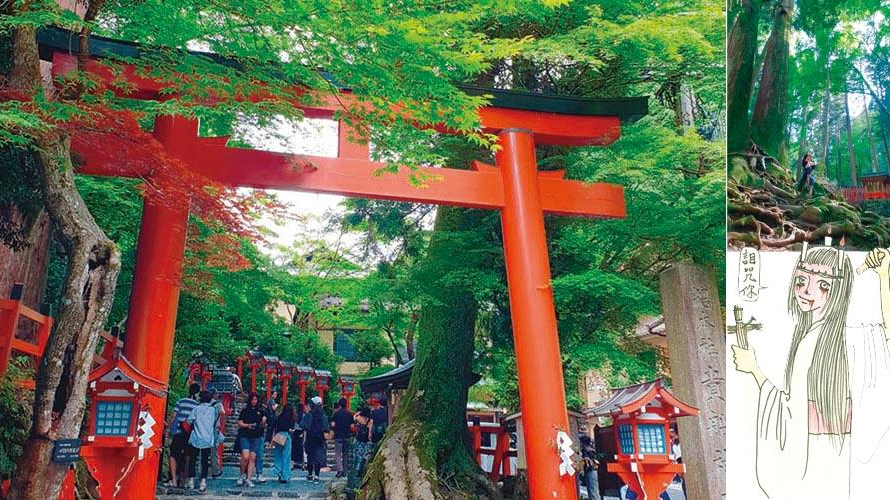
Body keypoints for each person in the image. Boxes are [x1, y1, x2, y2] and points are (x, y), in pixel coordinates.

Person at [732, 244, 890, 498]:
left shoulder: (827, 340)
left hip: (809, 466)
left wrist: (754, 370)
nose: (807, 291)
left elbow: (788, 412)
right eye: (801, 281)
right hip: (835, 463)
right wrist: (883, 277)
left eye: (823, 285)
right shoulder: (843, 338)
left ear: (839, 291)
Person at [165, 383, 200, 488]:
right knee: (188, 456)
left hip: (179, 431)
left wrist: (168, 428)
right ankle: (184, 481)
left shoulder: (181, 401)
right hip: (190, 433)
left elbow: (174, 415)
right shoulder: (197, 405)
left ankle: (174, 480)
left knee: (173, 455)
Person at [186, 391, 218, 492]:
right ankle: (203, 481)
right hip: (207, 438)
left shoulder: (196, 409)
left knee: (193, 459)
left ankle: (191, 480)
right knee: (205, 461)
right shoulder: (212, 410)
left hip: (196, 436)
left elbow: (189, 420)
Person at [236, 392, 267, 488]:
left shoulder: (261, 411)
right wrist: (247, 425)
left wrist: (263, 422)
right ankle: (241, 475)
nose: (254, 401)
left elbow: (264, 425)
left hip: (256, 436)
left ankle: (249, 478)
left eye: (256, 400)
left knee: (253, 457)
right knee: (245, 456)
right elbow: (239, 422)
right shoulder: (245, 411)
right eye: (253, 399)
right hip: (245, 435)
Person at [301, 396, 329, 482]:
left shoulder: (309, 414)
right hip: (320, 438)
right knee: (318, 457)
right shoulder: (323, 415)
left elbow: (304, 425)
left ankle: (310, 474)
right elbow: (326, 428)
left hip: (310, 437)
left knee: (310, 457)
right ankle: (316, 476)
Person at [348, 407, 373, 490]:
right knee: (364, 458)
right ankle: (361, 475)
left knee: (357, 458)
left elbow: (353, 421)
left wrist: (357, 414)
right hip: (366, 442)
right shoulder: (370, 420)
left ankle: (355, 475)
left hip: (359, 441)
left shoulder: (358, 418)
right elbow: (370, 433)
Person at [272, 402, 296, 483]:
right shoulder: (291, 418)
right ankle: (285, 476)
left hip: (279, 436)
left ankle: (278, 471)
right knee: (286, 457)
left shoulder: (279, 417)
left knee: (278, 455)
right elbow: (291, 429)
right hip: (286, 436)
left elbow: (275, 427)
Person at [331, 398, 353, 478]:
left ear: (339, 405)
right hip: (347, 435)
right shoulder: (349, 414)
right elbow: (352, 426)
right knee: (345, 454)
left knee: (338, 454)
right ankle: (345, 471)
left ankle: (339, 470)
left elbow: (333, 424)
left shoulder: (336, 414)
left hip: (338, 436)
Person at [209, 389, 225, 478]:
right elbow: (223, 413)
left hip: (203, 429)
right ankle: (215, 470)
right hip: (213, 429)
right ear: (215, 395)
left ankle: (201, 471)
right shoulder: (218, 404)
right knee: (213, 451)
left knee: (202, 451)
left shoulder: (204, 404)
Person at [579, 435, 601, 500]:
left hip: (591, 471)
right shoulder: (590, 449)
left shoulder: (587, 450)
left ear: (583, 443)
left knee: (593, 490)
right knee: (591, 490)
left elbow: (587, 460)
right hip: (590, 471)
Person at [291, 402, 306, 470]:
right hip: (302, 432)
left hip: (295, 432)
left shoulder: (294, 415)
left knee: (293, 449)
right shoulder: (304, 416)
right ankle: (303, 464)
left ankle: (292, 464)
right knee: (301, 449)